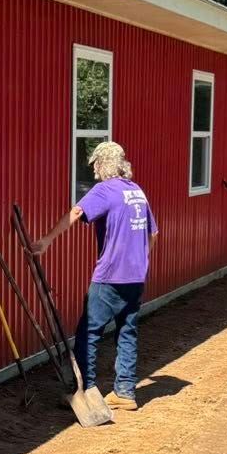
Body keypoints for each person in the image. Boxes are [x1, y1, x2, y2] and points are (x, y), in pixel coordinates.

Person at [40, 141, 157, 411]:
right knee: (127, 331)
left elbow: (77, 212)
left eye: (95, 164)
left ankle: (84, 389)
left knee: (88, 332)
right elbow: (153, 234)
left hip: (110, 276)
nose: (93, 169)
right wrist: (140, 260)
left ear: (103, 164)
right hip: (136, 277)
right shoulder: (137, 192)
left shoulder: (105, 190)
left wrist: (46, 240)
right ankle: (125, 391)